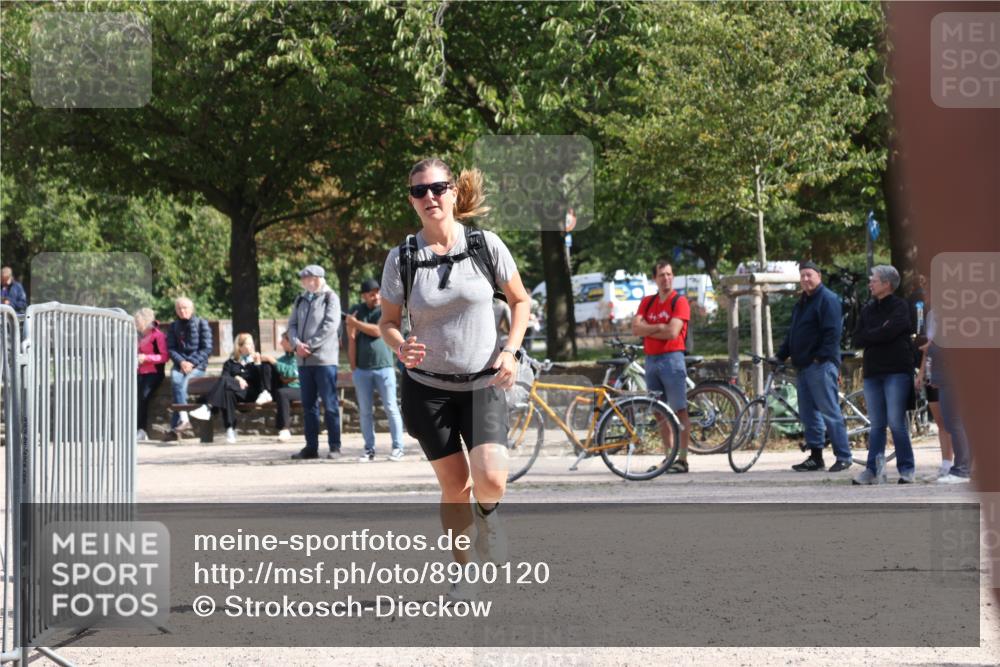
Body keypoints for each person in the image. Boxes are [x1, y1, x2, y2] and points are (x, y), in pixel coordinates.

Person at [378, 158, 531, 600]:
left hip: (484, 382)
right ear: (412, 200)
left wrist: (510, 351)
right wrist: (398, 344)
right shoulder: (403, 257)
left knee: (491, 480)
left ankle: (490, 514)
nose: (429, 197)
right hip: (427, 390)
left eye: (438, 188)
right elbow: (388, 320)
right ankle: (463, 569)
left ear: (453, 192)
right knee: (454, 485)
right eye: (419, 192)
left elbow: (520, 301)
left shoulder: (486, 245)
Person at [775, 261, 852, 472]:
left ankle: (844, 456)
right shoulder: (802, 302)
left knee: (830, 412)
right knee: (809, 415)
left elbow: (832, 333)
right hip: (802, 367)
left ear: (819, 276)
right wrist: (780, 356)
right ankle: (816, 457)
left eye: (809, 275)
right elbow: (792, 333)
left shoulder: (827, 299)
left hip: (820, 365)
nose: (805, 279)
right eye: (802, 276)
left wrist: (820, 358)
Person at [851, 265, 916, 484]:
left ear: (887, 284)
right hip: (873, 372)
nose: (870, 283)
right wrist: (880, 332)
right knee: (877, 424)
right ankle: (873, 470)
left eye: (874, 280)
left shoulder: (901, 306)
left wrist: (874, 334)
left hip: (896, 370)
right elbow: (857, 338)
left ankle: (907, 469)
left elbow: (893, 330)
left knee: (896, 422)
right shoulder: (868, 309)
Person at [631, 260, 692, 474]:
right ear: (654, 279)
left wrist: (648, 329)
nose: (666, 278)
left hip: (672, 359)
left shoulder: (680, 301)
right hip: (651, 360)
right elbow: (635, 328)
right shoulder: (647, 302)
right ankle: (669, 456)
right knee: (659, 411)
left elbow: (673, 332)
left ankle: (682, 459)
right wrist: (658, 326)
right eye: (661, 275)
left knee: (679, 409)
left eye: (669, 274)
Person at [287, 265, 342, 460]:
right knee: (308, 406)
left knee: (330, 404)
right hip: (303, 362)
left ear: (317, 279)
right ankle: (311, 447)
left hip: (324, 361)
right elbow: (291, 325)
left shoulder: (330, 297)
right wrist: (296, 344)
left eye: (307, 278)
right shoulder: (300, 299)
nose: (304, 281)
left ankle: (335, 446)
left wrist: (309, 345)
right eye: (302, 278)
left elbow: (330, 326)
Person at [347, 278, 406, 462]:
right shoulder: (356, 311)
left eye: (378, 292)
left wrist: (355, 323)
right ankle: (369, 449)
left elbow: (377, 331)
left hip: (385, 367)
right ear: (364, 295)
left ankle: (398, 448)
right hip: (362, 370)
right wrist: (353, 366)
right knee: (365, 411)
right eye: (372, 293)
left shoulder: (384, 310)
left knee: (391, 408)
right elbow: (351, 339)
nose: (376, 296)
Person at [189, 333, 275, 443]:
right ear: (240, 347)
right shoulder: (230, 363)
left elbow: (261, 382)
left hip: (251, 394)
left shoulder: (258, 360)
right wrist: (238, 378)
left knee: (226, 384)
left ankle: (209, 407)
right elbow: (224, 377)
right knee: (227, 392)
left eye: (252, 343)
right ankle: (230, 429)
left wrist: (257, 364)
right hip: (235, 394)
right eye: (248, 343)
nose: (252, 346)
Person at [914, 292, 954, 479]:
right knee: (940, 421)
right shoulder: (931, 315)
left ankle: (964, 464)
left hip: (950, 372)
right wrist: (921, 373)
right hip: (932, 371)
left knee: (955, 420)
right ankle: (946, 463)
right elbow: (928, 347)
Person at [164, 297, 213, 440]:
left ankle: (176, 427)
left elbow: (207, 348)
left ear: (191, 309)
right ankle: (185, 420)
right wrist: (182, 362)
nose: (182, 310)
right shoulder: (173, 327)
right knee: (176, 379)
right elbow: (171, 349)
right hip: (180, 365)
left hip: (198, 366)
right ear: (176, 311)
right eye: (179, 308)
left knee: (182, 385)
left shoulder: (201, 324)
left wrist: (190, 362)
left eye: (185, 307)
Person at [134, 308, 168, 442]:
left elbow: (164, 357)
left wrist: (146, 358)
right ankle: (138, 429)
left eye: (138, 322)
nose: (136, 324)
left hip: (154, 373)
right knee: (135, 398)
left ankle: (141, 430)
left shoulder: (158, 336)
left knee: (143, 397)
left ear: (146, 321)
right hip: (139, 372)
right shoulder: (138, 336)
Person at [274, 332, 301, 442]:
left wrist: (275, 363)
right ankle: (283, 428)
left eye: (283, 341)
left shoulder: (300, 356)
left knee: (282, 393)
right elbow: (287, 376)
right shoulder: (282, 359)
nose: (280, 343)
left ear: (291, 342)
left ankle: (285, 429)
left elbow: (294, 373)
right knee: (282, 392)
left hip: (302, 389)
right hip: (288, 389)